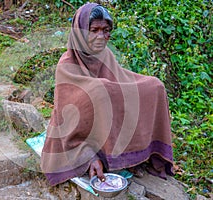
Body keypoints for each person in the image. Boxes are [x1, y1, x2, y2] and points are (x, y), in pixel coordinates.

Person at [41, 3, 174, 186]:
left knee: (155, 86)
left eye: (105, 30)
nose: (101, 37)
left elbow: (120, 82)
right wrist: (88, 157)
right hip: (80, 132)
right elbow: (68, 113)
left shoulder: (105, 54)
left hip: (107, 114)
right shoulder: (67, 64)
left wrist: (124, 91)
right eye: (94, 30)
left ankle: (137, 153)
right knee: (100, 91)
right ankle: (100, 155)